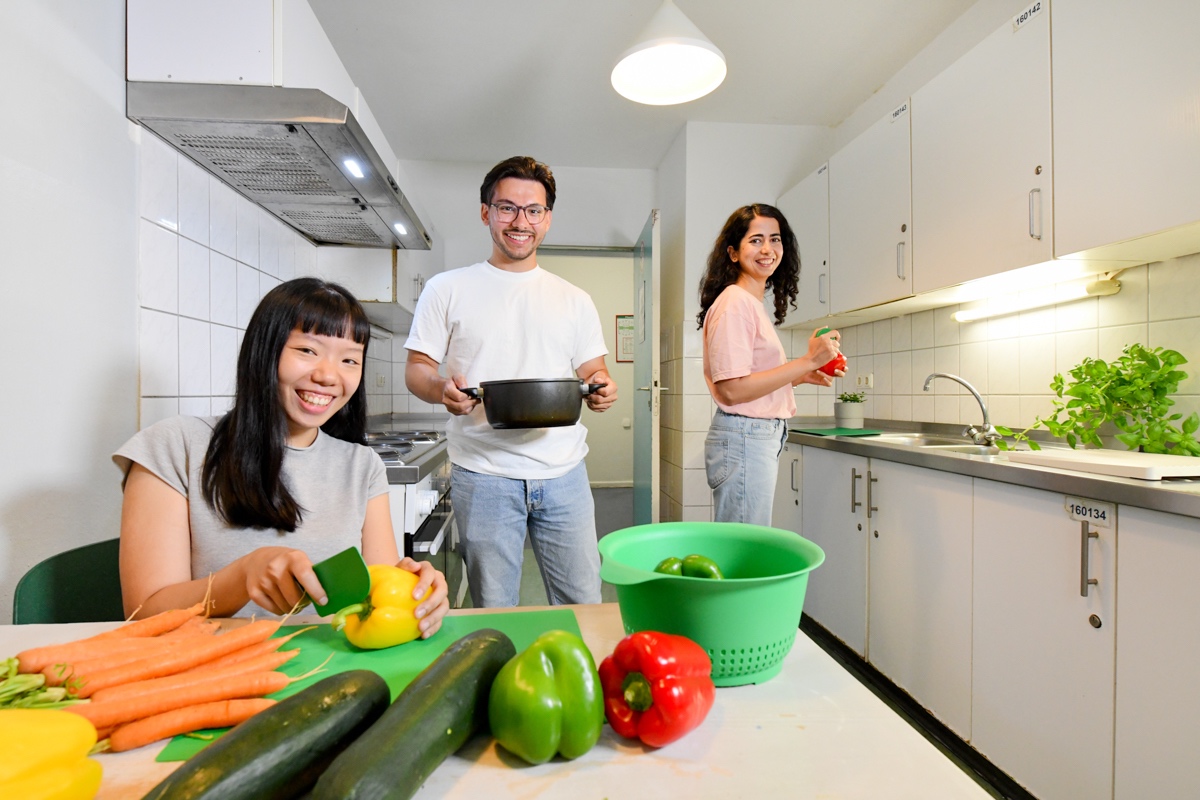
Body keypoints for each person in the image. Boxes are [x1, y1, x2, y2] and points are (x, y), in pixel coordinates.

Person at [114, 277, 449, 633]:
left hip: (330, 659)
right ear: (264, 350)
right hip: (214, 661)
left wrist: (417, 594)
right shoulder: (175, 446)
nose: (328, 375)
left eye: (350, 360)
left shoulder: (361, 466)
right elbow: (144, 612)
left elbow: (378, 588)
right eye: (307, 351)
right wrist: (242, 577)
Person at [404, 155, 618, 608]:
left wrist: (602, 387)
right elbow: (417, 369)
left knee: (582, 601)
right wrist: (441, 390)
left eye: (534, 210)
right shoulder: (446, 288)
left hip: (564, 473)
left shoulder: (574, 299)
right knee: (494, 608)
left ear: (547, 218)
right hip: (484, 474)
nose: (521, 222)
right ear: (486, 212)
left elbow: (593, 371)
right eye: (507, 208)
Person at [697, 204, 842, 525]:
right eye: (756, 240)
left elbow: (749, 381)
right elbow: (732, 391)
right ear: (733, 253)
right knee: (745, 545)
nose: (767, 249)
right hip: (746, 436)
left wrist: (800, 375)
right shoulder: (735, 303)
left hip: (751, 435)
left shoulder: (748, 303)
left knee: (747, 541)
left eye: (775, 239)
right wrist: (807, 360)